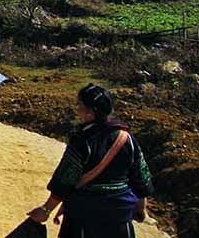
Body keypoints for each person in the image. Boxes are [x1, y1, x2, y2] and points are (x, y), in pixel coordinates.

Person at [28, 84, 154, 238]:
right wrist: (140, 208)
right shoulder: (126, 138)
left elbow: (65, 180)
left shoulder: (83, 141)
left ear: (90, 111)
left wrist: (46, 210)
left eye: (79, 105)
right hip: (119, 217)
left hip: (84, 217)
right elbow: (140, 176)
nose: (77, 109)